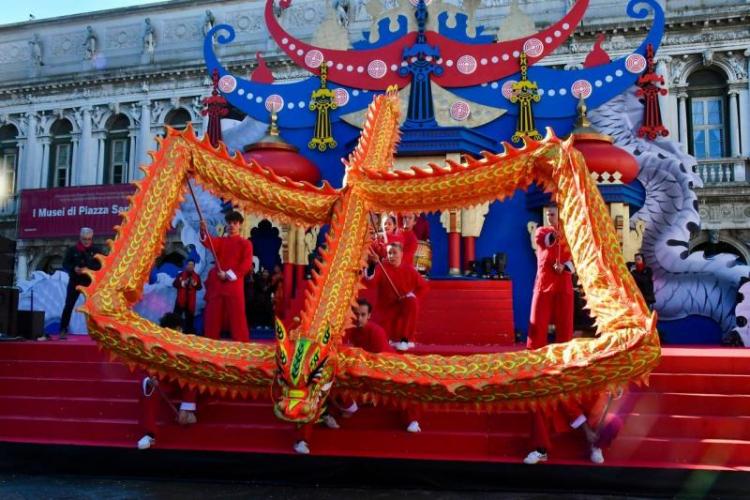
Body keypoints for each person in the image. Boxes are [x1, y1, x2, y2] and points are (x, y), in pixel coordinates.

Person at [293, 298, 421, 454]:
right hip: (349, 375)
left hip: (382, 370)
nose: (358, 318)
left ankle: (411, 419)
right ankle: (304, 438)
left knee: (402, 382)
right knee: (315, 383)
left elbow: (381, 362)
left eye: (362, 315)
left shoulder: (376, 332)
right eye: (355, 314)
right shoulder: (343, 331)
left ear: (369, 316)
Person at [136, 312, 198, 450]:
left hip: (187, 384)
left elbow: (193, 375)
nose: (178, 333)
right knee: (148, 389)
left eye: (179, 330)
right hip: (165, 383)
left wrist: (187, 407)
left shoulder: (190, 344)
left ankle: (191, 413)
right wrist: (150, 381)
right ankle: (149, 433)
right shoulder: (154, 346)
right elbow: (144, 369)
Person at [200, 211, 253, 342]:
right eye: (229, 223)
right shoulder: (221, 241)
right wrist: (203, 231)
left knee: (237, 316)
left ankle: (242, 346)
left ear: (240, 225)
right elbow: (208, 242)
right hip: (218, 284)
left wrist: (228, 275)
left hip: (234, 285)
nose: (231, 226)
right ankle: (210, 344)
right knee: (213, 315)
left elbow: (246, 265)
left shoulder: (245, 244)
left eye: (235, 223)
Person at [527, 205, 574, 349]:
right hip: (544, 282)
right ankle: (534, 351)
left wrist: (564, 267)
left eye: (552, 214)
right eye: (548, 214)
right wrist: (555, 234)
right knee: (538, 321)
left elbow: (574, 258)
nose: (549, 216)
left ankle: (565, 353)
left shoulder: (569, 235)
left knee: (565, 322)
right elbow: (546, 241)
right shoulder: (541, 231)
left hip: (563, 281)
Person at [367, 242, 428, 351]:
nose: (392, 256)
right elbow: (370, 282)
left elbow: (423, 287)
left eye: (395, 253)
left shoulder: (409, 269)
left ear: (402, 254)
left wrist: (411, 295)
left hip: (403, 306)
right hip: (385, 308)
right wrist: (372, 265)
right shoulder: (382, 267)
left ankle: (405, 339)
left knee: (411, 302)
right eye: (389, 253)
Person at [54, 227, 103, 340]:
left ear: (92, 238)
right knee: (69, 305)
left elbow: (100, 266)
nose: (86, 241)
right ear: (80, 238)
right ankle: (63, 330)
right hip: (75, 281)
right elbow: (65, 264)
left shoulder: (96, 251)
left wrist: (88, 268)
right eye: (84, 239)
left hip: (90, 283)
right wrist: (73, 268)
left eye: (89, 239)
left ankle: (97, 332)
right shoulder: (72, 250)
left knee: (94, 308)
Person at [172, 259, 202, 334]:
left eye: (192, 265)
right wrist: (182, 283)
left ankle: (187, 334)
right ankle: (173, 332)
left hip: (190, 302)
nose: (190, 266)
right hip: (180, 300)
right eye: (189, 264)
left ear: (194, 266)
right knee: (176, 318)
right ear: (186, 265)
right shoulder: (180, 274)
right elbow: (174, 284)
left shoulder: (197, 276)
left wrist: (195, 284)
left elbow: (199, 287)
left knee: (189, 320)